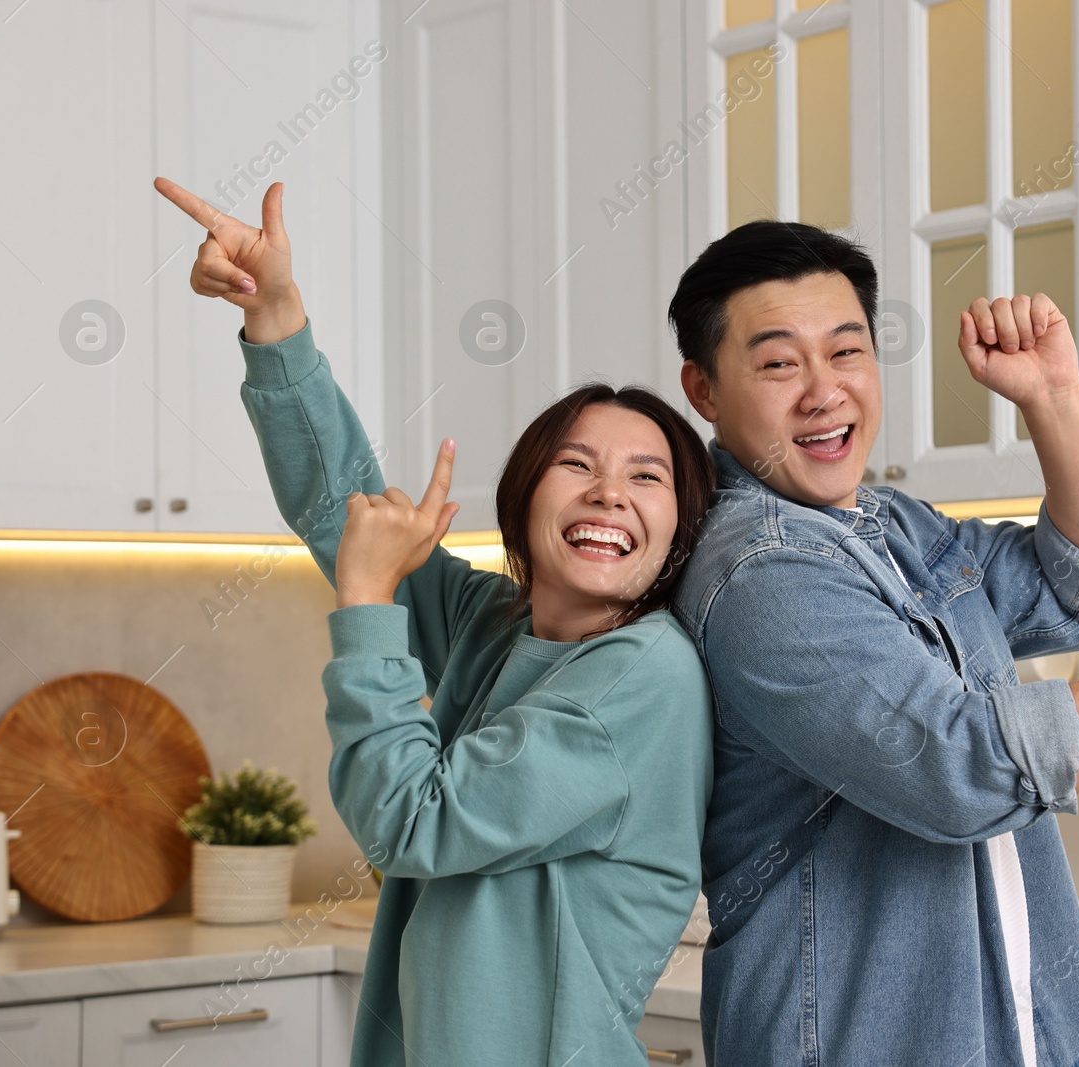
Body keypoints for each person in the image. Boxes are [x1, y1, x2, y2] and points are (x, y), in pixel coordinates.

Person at [666, 220, 1079, 1066]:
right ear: (705, 388)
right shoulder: (762, 575)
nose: (824, 390)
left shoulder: (888, 527)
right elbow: (963, 771)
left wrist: (1054, 400)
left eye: (846, 352)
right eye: (778, 363)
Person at [156, 176, 717, 1066]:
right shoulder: (501, 623)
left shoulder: (642, 675)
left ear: (682, 529)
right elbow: (342, 513)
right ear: (526, 498)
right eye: (577, 463)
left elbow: (414, 820)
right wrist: (275, 317)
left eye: (648, 477)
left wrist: (369, 603)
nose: (610, 489)